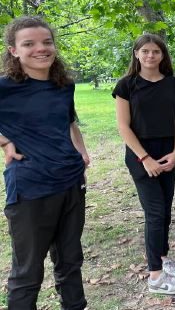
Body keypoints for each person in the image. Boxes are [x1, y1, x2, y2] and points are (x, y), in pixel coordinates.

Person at [0, 16, 89, 309]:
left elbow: (68, 122)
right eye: (29, 44)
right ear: (13, 50)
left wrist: (81, 152)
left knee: (70, 262)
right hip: (30, 190)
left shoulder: (64, 85)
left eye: (47, 42)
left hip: (71, 184)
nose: (41, 48)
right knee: (28, 274)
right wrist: (4, 140)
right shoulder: (5, 87)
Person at [113, 34, 175, 295]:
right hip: (140, 154)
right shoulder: (126, 85)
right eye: (144, 51)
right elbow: (123, 127)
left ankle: (163, 256)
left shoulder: (173, 83)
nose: (150, 56)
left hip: (167, 151)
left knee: (165, 211)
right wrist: (145, 159)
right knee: (155, 212)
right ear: (136, 54)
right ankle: (156, 276)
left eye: (155, 51)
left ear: (162, 55)